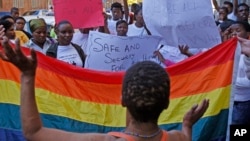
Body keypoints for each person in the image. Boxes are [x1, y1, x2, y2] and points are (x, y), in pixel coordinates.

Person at [0, 32, 209, 140]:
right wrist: (188, 125)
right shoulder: (176, 138)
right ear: (166, 104)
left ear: (122, 101)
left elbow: (33, 132)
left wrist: (28, 75)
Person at [223, 21, 250, 125]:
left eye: (238, 31)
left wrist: (231, 81)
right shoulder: (229, 53)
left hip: (243, 103)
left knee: (238, 129)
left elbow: (248, 82)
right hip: (229, 101)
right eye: (231, 31)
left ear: (247, 34)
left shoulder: (246, 53)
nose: (234, 34)